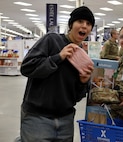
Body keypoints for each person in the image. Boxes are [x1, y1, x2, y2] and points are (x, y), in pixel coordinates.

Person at [16, 6, 95, 142]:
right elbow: (27, 68)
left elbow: (76, 96)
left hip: (66, 120)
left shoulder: (83, 56)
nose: (84, 26)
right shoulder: (51, 40)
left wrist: (83, 82)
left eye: (88, 24)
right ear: (71, 24)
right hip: (37, 118)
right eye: (80, 21)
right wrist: (58, 57)